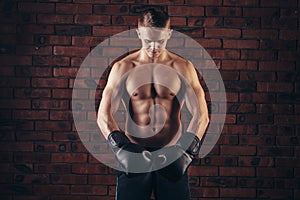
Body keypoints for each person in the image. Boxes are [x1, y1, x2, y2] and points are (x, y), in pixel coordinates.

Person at [97, 8, 209, 200]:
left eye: (161, 40)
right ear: (138, 33)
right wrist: (121, 148)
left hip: (172, 155)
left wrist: (186, 152)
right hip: (134, 155)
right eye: (148, 40)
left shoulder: (182, 67)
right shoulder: (123, 68)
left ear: (169, 34)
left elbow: (202, 115)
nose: (155, 46)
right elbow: (104, 116)